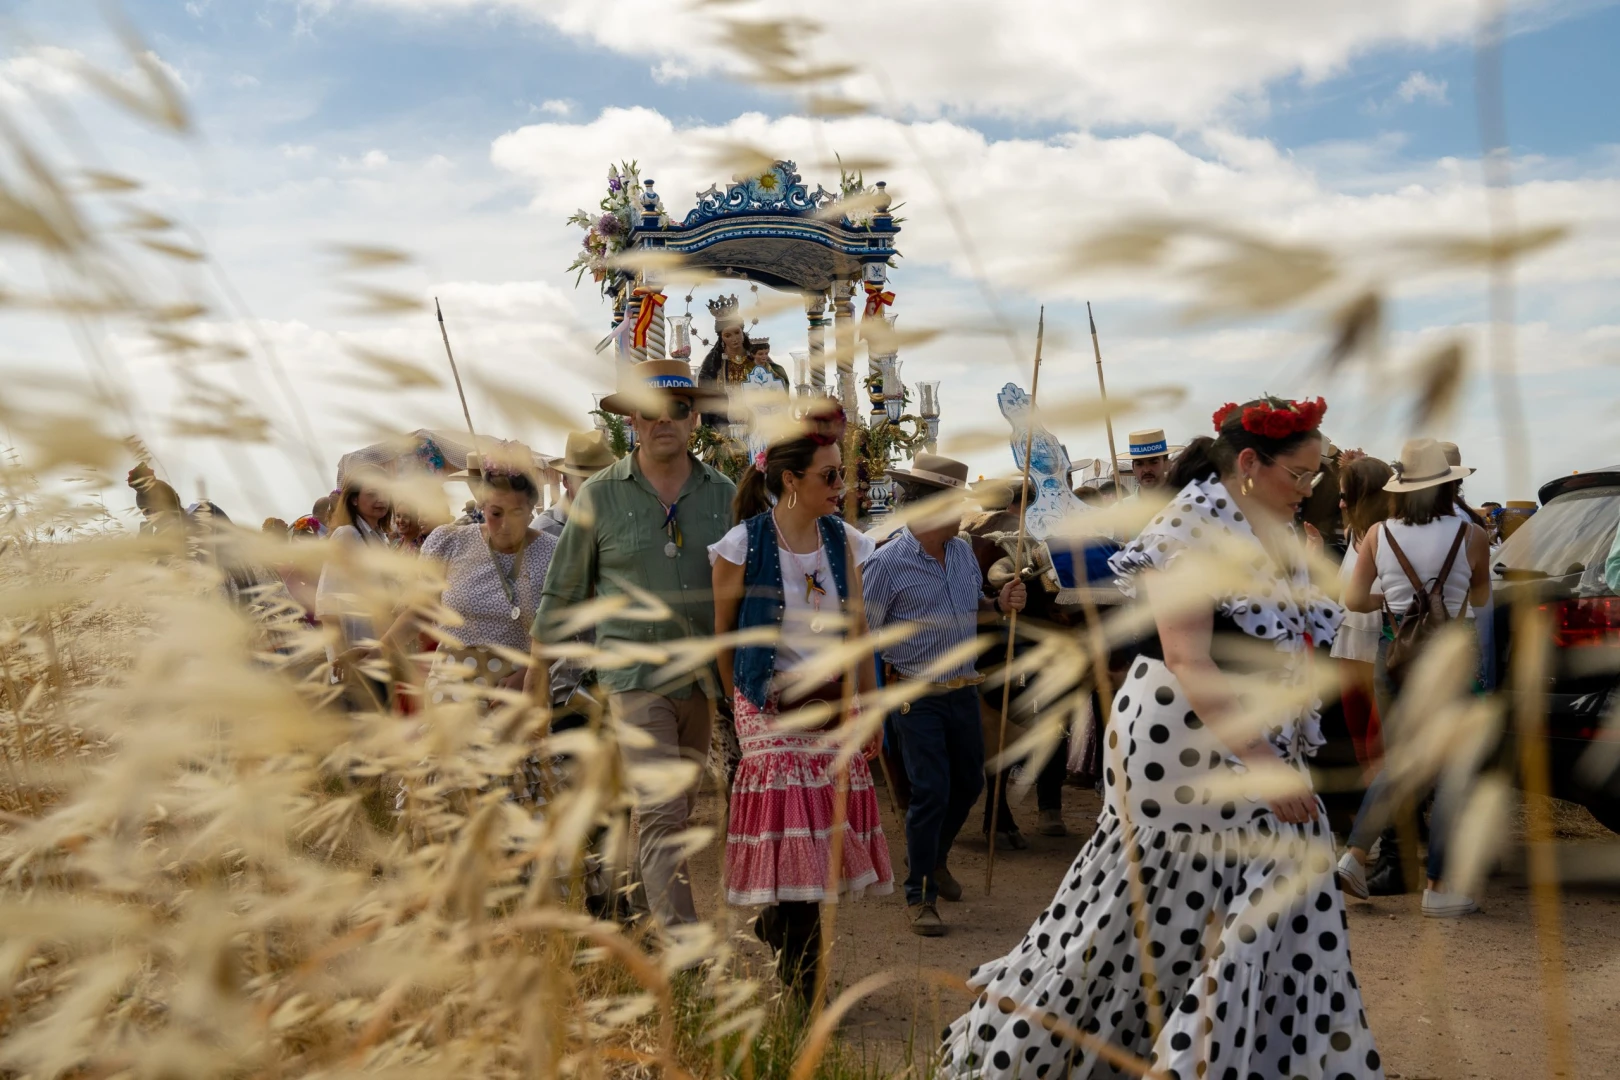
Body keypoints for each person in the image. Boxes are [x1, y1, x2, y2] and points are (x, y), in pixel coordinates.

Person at [940, 394, 1386, 1079]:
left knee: (1280, 885)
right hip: (1183, 738)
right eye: (1299, 475)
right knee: (1151, 913)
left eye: (1315, 476)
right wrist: (1267, 764)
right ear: (1247, 463)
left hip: (1252, 730)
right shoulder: (1190, 532)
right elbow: (1190, 658)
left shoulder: (1281, 529)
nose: (1309, 488)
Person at [528, 359, 734, 934]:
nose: (663, 420)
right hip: (634, 678)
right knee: (664, 814)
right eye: (650, 409)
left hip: (701, 679)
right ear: (634, 422)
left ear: (693, 418)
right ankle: (684, 950)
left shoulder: (725, 496)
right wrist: (532, 685)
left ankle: (637, 910)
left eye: (677, 408)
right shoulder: (598, 496)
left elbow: (755, 585)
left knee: (677, 809)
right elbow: (561, 594)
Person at [710, 413, 893, 1002]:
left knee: (814, 856)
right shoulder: (744, 543)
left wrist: (870, 706)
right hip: (766, 704)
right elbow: (723, 637)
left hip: (829, 701)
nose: (841, 485)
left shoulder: (846, 540)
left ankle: (781, 939)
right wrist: (741, 711)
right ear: (791, 481)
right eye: (830, 475)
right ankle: (805, 992)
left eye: (842, 474)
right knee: (800, 853)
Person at [863, 452, 1026, 937]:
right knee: (931, 791)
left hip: (962, 690)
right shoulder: (886, 565)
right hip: (915, 695)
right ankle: (920, 894)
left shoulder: (960, 554)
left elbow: (973, 609)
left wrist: (1000, 603)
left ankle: (934, 859)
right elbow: (863, 637)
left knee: (971, 785)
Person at [1337, 437, 1492, 916]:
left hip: (1395, 654)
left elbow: (1354, 600)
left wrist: (1397, 601)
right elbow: (1482, 600)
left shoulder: (1379, 534)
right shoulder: (1473, 536)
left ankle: (1355, 854)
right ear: (1448, 487)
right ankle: (1440, 887)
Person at [390, 445, 558, 814]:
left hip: (512, 692)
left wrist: (528, 675)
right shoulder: (449, 543)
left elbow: (559, 630)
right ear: (482, 505)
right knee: (449, 800)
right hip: (452, 692)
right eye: (496, 513)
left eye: (519, 513)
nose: (507, 524)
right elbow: (420, 609)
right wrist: (380, 648)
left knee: (511, 800)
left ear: (534, 509)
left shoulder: (552, 553)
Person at [1332, 455, 1394, 769]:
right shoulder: (1353, 534)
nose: (1341, 504)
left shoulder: (1390, 536)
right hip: (1350, 639)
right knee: (1356, 732)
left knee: (1378, 739)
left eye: (1346, 496)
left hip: (1382, 640)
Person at [316, 468, 395, 709]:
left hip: (378, 653)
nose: (381, 500)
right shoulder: (347, 535)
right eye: (372, 494)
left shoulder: (380, 538)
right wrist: (342, 656)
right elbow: (327, 601)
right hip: (356, 657)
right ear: (353, 499)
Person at [537, 430, 615, 538]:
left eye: (603, 480)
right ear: (565, 481)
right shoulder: (543, 531)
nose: (596, 488)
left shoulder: (623, 519)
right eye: (585, 482)